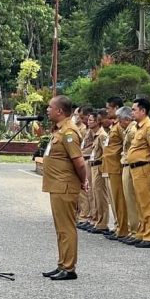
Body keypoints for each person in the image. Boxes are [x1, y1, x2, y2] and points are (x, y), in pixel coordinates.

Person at [41, 95, 89, 281]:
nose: (47, 110)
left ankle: (69, 268)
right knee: (60, 228)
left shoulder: (69, 132)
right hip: (57, 186)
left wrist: (83, 181)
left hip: (65, 186)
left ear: (60, 111)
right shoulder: (59, 130)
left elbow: (79, 162)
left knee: (67, 228)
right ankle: (62, 264)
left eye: (50, 107)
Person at [127, 98, 150, 248]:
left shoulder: (149, 127)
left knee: (147, 203)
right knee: (140, 203)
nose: (132, 112)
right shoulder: (138, 127)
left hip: (143, 168)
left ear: (143, 111)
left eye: (134, 109)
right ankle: (142, 233)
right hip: (136, 168)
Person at [102, 97, 129, 241]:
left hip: (116, 166)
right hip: (110, 166)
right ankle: (118, 226)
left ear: (116, 108)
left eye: (109, 108)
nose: (107, 111)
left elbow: (126, 144)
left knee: (119, 199)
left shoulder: (120, 126)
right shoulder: (114, 125)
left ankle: (123, 229)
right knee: (114, 200)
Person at [88, 109, 111, 234]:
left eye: (91, 120)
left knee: (101, 196)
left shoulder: (102, 135)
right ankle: (98, 221)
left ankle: (103, 223)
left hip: (99, 167)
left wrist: (103, 170)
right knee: (95, 195)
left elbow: (106, 153)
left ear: (97, 122)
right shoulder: (95, 135)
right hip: (93, 166)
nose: (88, 122)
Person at [119, 110, 140, 245]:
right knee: (129, 200)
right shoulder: (130, 130)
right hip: (127, 164)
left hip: (130, 164)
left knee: (132, 200)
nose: (119, 123)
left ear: (126, 119)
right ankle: (132, 230)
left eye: (120, 120)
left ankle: (135, 230)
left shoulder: (132, 131)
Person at [77, 106, 96, 230]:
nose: (83, 120)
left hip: (90, 160)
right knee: (84, 191)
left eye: (83, 117)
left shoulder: (93, 131)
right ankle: (86, 216)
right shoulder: (87, 130)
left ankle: (90, 217)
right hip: (85, 158)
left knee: (90, 191)